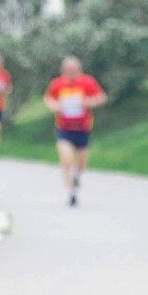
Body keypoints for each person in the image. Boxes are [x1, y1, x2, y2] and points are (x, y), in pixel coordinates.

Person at [43, 56, 107, 207]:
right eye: (68, 69)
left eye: (73, 69)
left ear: (79, 69)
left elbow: (101, 97)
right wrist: (55, 106)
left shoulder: (87, 82)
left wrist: (87, 102)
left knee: (82, 163)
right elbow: (48, 99)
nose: (71, 72)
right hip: (64, 129)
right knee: (66, 160)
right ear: (63, 69)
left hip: (83, 129)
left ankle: (77, 176)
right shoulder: (57, 84)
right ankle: (71, 192)